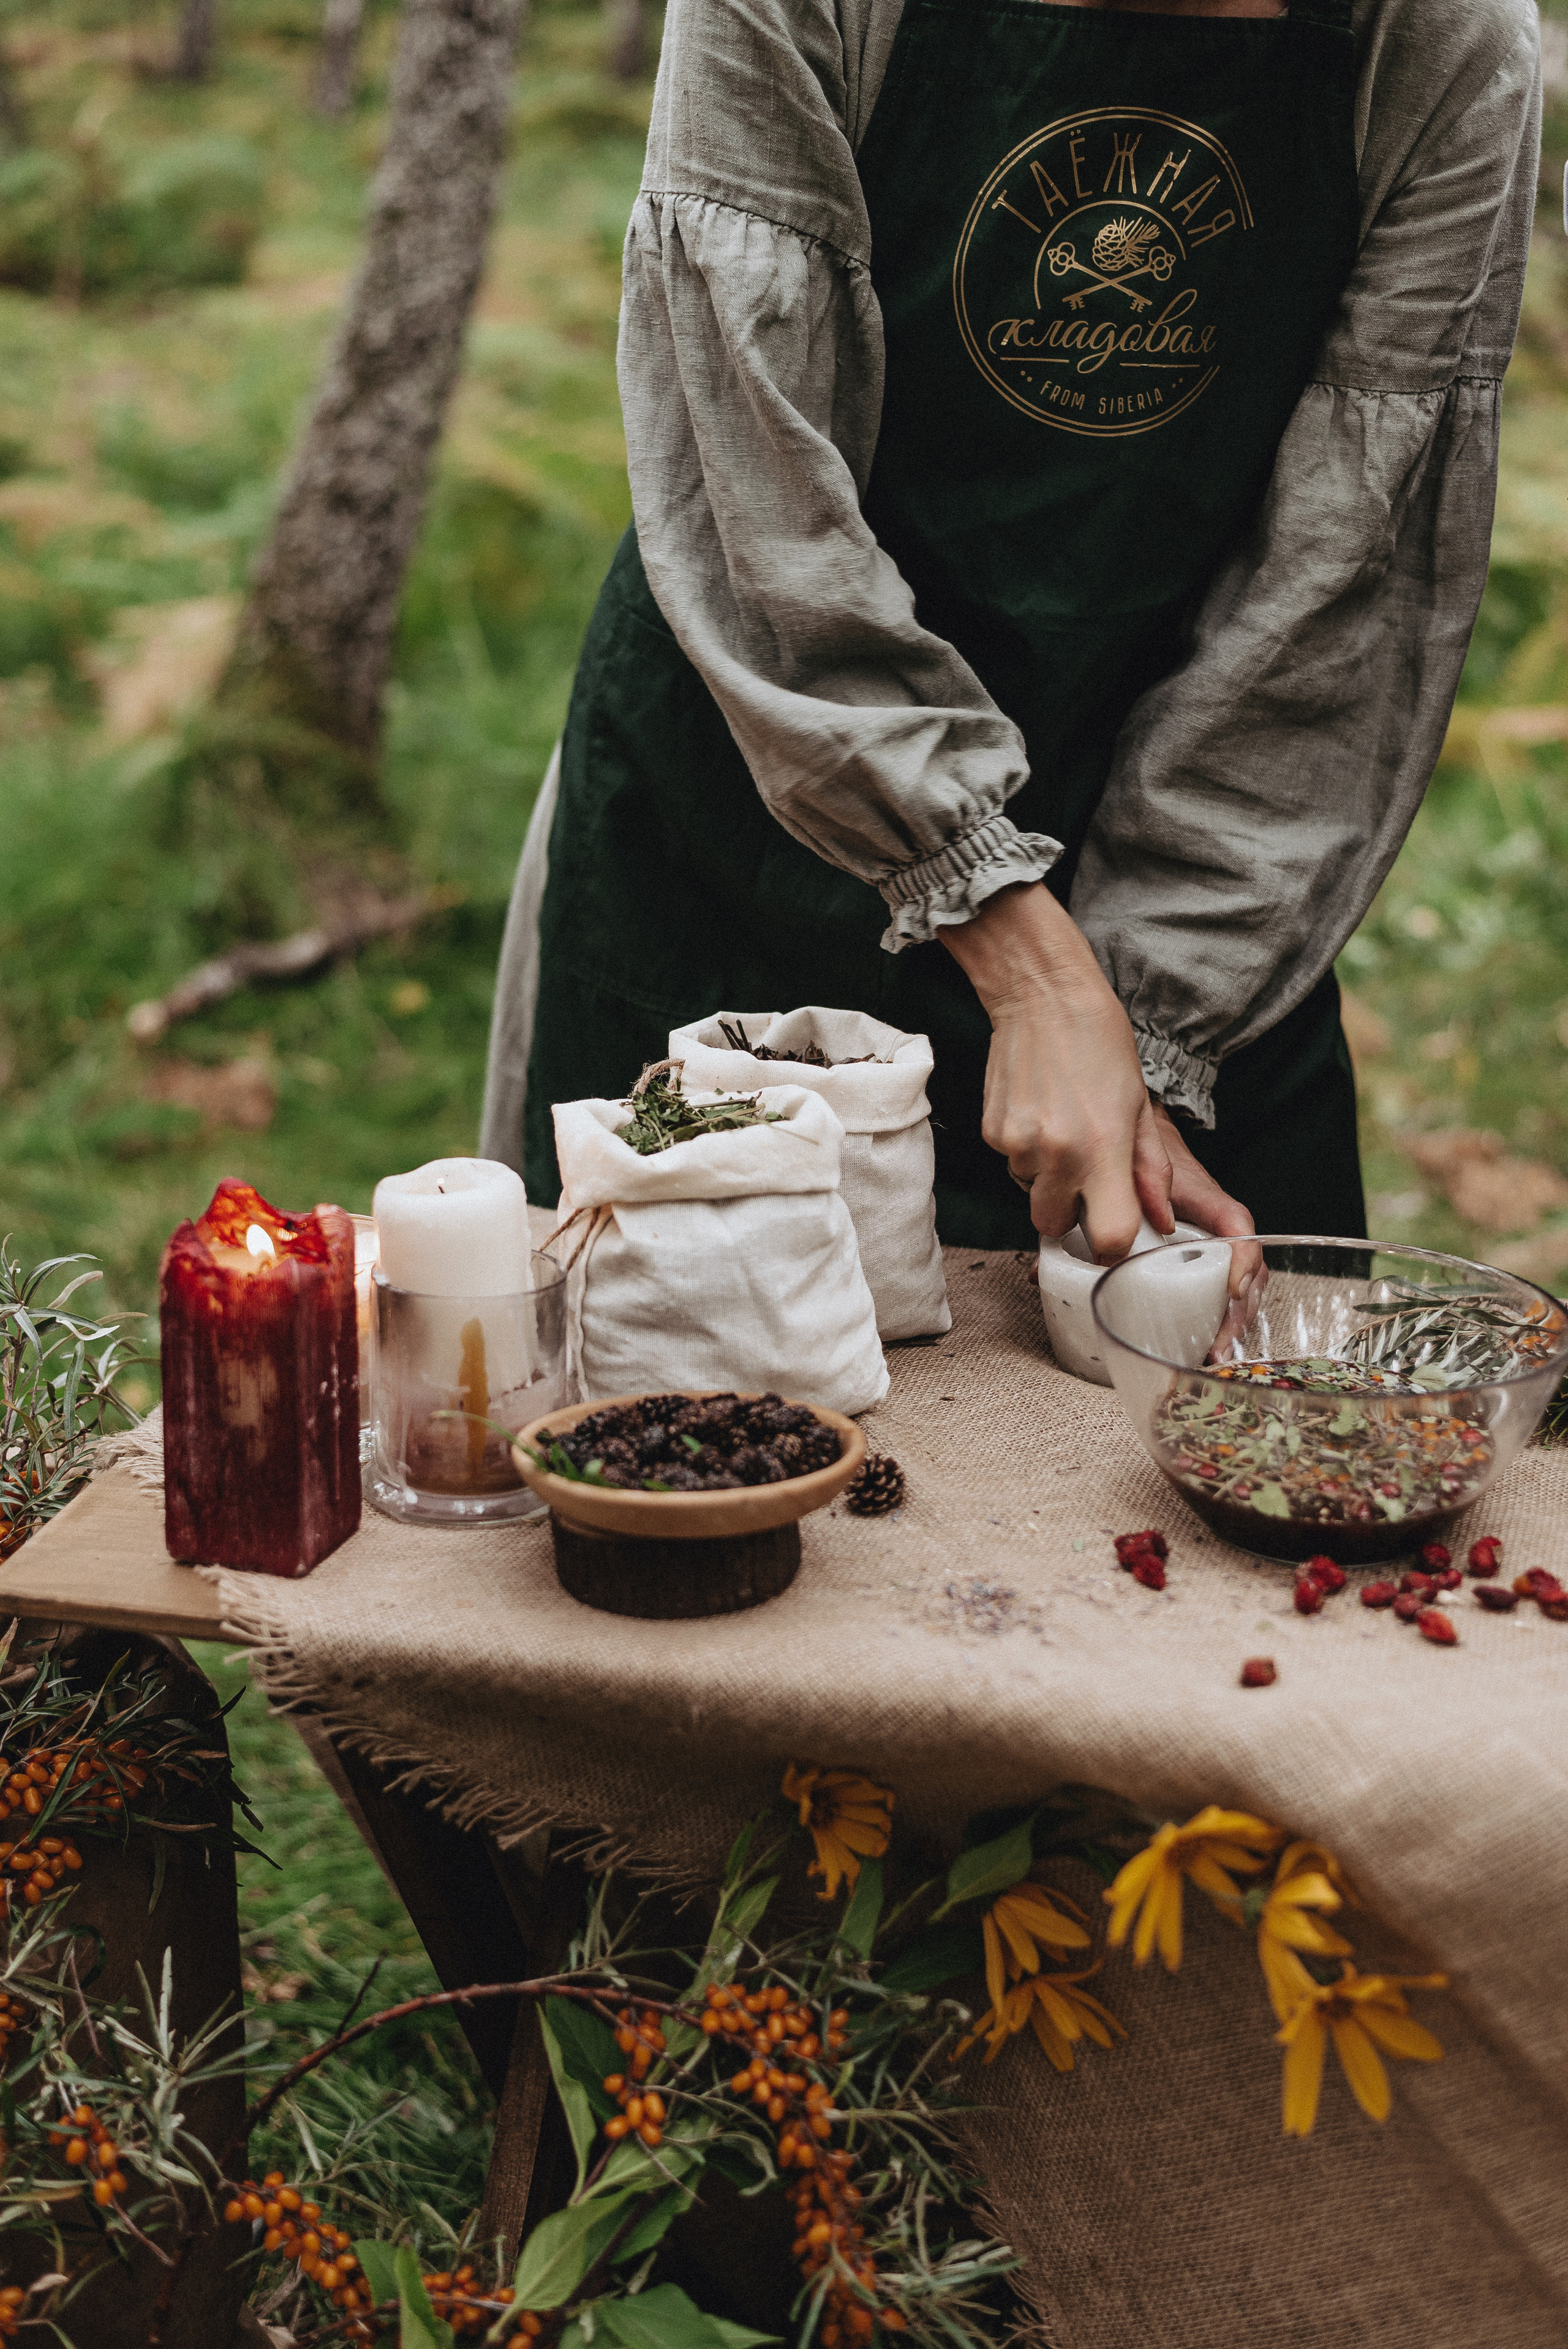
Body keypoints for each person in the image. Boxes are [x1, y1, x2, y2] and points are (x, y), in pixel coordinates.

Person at [481, 0, 1540, 1269]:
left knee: (1247, 1421)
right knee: (687, 1408)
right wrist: (1026, 963)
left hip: (1201, 854)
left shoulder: (1443, 42)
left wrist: (1147, 1024)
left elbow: (1340, 587)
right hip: (758, 795)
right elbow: (753, 501)